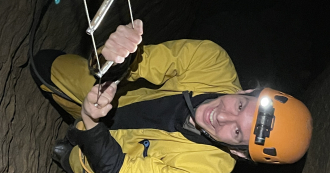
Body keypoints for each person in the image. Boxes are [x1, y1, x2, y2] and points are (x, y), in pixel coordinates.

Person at [31, 20, 312, 173]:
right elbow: (141, 63)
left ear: (237, 152)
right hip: (113, 95)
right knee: (43, 65)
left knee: (78, 160)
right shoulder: (211, 61)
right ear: (248, 91)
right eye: (240, 105)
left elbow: (120, 169)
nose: (222, 116)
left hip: (112, 152)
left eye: (237, 131)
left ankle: (68, 155)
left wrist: (90, 126)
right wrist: (114, 58)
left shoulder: (207, 169)